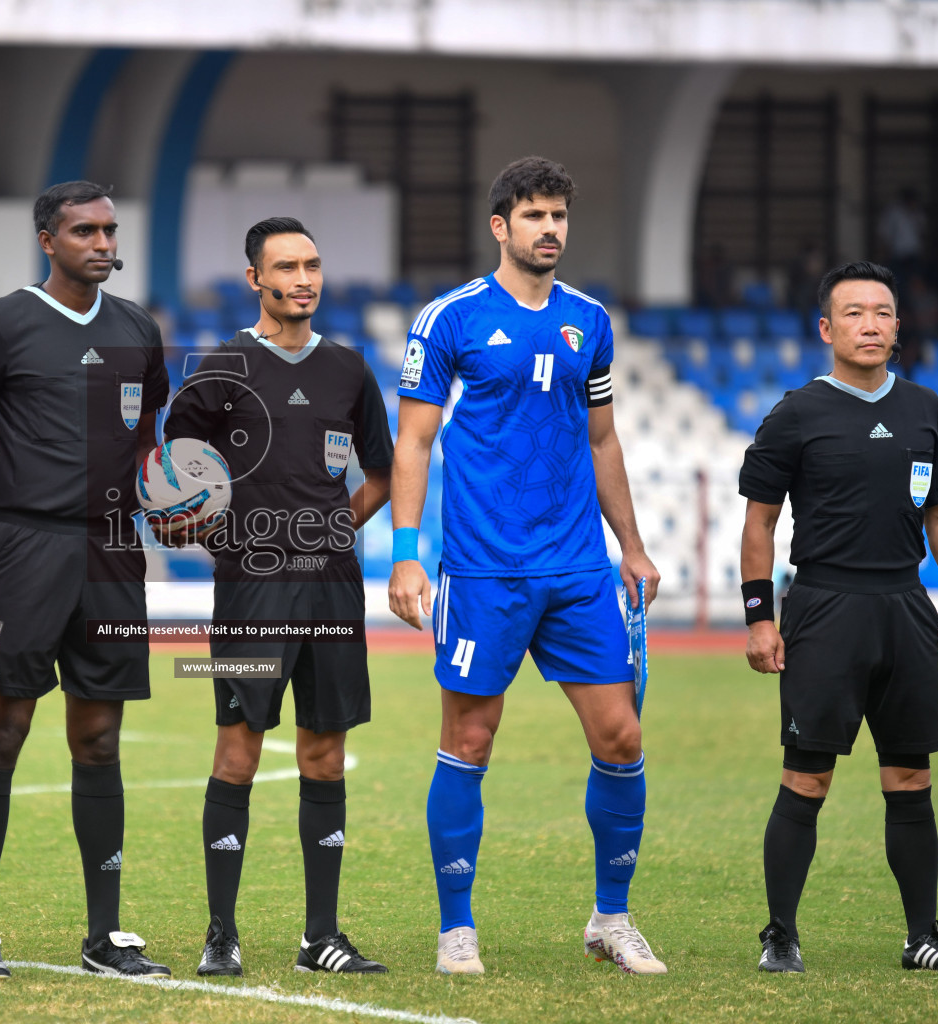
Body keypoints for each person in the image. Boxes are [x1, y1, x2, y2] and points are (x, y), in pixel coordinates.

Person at [387, 156, 665, 976]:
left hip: (578, 564)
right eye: (535, 216)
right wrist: (407, 556)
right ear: (500, 226)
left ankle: (611, 919)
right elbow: (414, 439)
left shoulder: (589, 320)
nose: (551, 230)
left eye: (560, 217)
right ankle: (456, 927)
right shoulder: (451, 319)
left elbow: (603, 437)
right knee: (469, 739)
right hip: (482, 569)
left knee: (621, 736)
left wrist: (634, 546)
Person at [162, 217, 394, 977]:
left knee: (325, 754)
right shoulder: (221, 368)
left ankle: (319, 936)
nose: (304, 279)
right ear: (256, 279)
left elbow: (382, 473)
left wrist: (331, 529)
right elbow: (171, 473)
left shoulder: (350, 370)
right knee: (239, 750)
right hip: (252, 593)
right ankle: (220, 934)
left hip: (331, 590)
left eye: (313, 265)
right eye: (287, 267)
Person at [739, 260, 938, 974]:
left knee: (910, 778)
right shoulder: (795, 413)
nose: (869, 324)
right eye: (853, 313)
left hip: (905, 607)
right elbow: (758, 524)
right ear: (827, 329)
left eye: (882, 312)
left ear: (898, 326)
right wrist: (758, 617)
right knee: (806, 778)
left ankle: (921, 938)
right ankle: (781, 934)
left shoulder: (924, 409)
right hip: (823, 606)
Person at [0, 180, 171, 978]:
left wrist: (168, 495)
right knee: (3, 730)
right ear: (49, 240)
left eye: (110, 230)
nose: (103, 243)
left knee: (99, 739)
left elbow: (146, 433)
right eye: (85, 231)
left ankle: (105, 936)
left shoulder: (137, 329)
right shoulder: (3, 322)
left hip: (114, 552)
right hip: (28, 548)